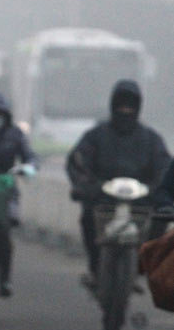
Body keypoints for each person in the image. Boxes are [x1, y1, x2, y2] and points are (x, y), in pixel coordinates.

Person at [66, 79, 170, 288]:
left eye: (129, 105)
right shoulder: (95, 136)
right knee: (87, 218)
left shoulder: (150, 139)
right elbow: (78, 161)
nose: (125, 110)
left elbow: (164, 167)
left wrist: (158, 189)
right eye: (121, 105)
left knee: (162, 217)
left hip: (141, 200)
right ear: (113, 105)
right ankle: (95, 268)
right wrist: (86, 185)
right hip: (102, 199)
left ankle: (141, 264)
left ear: (138, 107)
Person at [0, 92, 38, 297]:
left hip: (6, 190)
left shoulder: (15, 135)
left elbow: (29, 156)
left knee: (3, 234)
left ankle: (5, 279)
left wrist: (29, 167)